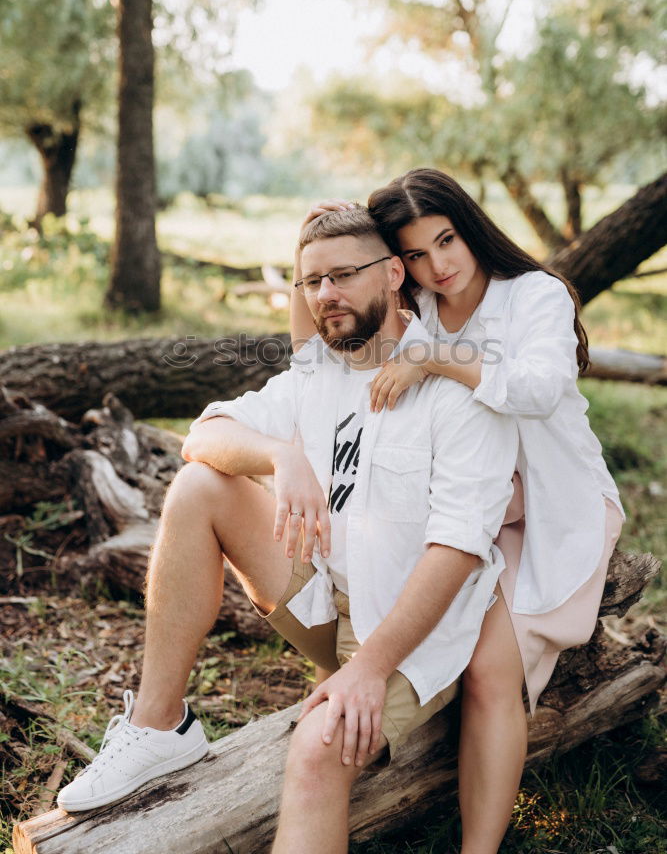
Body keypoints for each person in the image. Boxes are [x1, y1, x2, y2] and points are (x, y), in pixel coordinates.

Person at [57, 205, 519, 852]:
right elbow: (204, 435)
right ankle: (159, 727)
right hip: (328, 593)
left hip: (418, 634)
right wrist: (282, 457)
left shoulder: (456, 381)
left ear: (392, 274)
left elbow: (458, 550)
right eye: (310, 282)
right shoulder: (318, 372)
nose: (325, 295)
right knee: (199, 485)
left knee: (313, 754)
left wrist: (367, 670)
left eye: (343, 276)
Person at [289, 168, 625, 854]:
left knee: (487, 666)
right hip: (470, 497)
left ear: (468, 227)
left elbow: (536, 387)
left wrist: (436, 359)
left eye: (445, 241)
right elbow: (315, 349)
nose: (436, 266)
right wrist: (310, 254)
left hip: (548, 502)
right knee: (427, 609)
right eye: (413, 253)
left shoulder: (534, 295)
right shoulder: (414, 297)